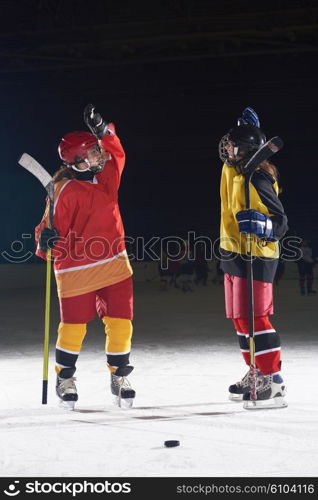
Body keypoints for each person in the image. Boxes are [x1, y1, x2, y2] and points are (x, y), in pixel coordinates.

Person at [35, 104, 135, 409]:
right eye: (91, 152)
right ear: (76, 160)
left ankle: (119, 374)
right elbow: (45, 230)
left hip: (115, 264)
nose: (98, 155)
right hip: (76, 268)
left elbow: (117, 154)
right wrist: (47, 239)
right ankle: (65, 377)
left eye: (96, 150)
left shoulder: (106, 180)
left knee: (121, 323)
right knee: (74, 326)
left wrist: (102, 130)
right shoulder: (61, 190)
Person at [218, 107, 288, 408]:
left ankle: (273, 381)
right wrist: (246, 129)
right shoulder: (233, 170)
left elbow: (281, 222)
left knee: (257, 318)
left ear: (246, 151)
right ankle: (255, 371)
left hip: (257, 255)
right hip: (233, 252)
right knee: (240, 320)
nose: (227, 151)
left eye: (234, 147)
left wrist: (262, 225)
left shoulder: (258, 177)